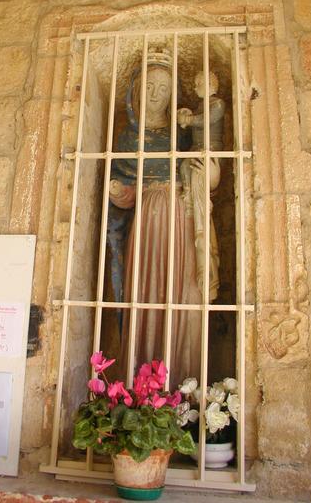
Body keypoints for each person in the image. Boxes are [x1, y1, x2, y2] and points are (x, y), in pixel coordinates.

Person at [107, 48, 206, 386]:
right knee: (145, 292)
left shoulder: (182, 134)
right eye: (149, 85)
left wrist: (202, 171)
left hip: (180, 216)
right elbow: (128, 193)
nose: (155, 94)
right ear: (137, 89)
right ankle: (140, 381)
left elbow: (204, 172)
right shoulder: (126, 138)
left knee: (179, 291)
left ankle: (178, 379)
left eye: (163, 89)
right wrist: (119, 193)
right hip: (147, 220)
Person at [177, 71, 224, 300]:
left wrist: (190, 119)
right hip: (194, 153)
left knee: (202, 214)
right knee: (185, 167)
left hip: (209, 153)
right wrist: (186, 117)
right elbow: (193, 122)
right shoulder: (200, 107)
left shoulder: (217, 104)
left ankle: (208, 273)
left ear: (210, 84)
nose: (195, 87)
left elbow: (206, 121)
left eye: (198, 84)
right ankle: (187, 192)